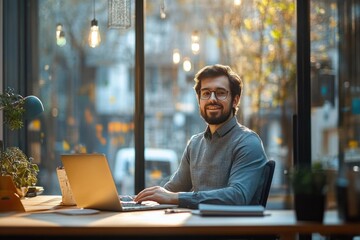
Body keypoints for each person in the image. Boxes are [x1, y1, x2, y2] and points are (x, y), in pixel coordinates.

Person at [135, 64, 269, 209]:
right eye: (205, 93)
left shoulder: (248, 142)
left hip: (230, 230)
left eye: (220, 93)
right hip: (196, 228)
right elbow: (171, 190)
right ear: (199, 100)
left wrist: (174, 197)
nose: (212, 99)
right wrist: (137, 201)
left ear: (235, 100)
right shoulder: (195, 144)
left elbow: (237, 196)